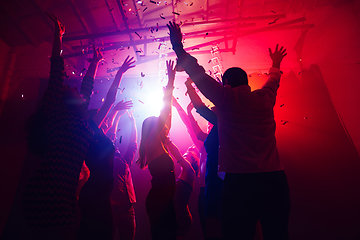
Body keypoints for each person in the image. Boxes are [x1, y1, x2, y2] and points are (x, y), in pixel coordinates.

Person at [167, 21, 290, 240]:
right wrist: (276, 63)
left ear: (227, 85)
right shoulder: (265, 99)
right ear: (247, 84)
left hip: (240, 182)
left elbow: (197, 73)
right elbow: (273, 81)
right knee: (276, 235)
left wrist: (178, 47)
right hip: (274, 179)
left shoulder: (225, 97)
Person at [22, 13, 95, 240]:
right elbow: (56, 73)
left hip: (62, 194)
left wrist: (95, 62)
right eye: (73, 90)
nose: (77, 90)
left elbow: (87, 88)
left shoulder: (77, 121)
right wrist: (58, 36)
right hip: (48, 193)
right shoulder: (58, 116)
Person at [78, 56, 135, 240]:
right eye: (102, 121)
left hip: (99, 194)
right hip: (96, 194)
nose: (106, 123)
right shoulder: (90, 132)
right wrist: (119, 73)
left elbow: (110, 122)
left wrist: (117, 112)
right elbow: (109, 101)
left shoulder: (97, 137)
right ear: (95, 122)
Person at [137, 60, 177, 240]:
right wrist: (170, 81)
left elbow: (167, 118)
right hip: (159, 200)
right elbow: (165, 113)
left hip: (163, 199)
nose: (164, 127)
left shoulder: (156, 142)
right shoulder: (152, 141)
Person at [185, 78, 223, 240]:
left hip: (220, 184)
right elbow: (195, 130)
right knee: (211, 227)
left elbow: (200, 113)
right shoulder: (205, 142)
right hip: (209, 186)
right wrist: (187, 112)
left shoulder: (224, 131)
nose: (208, 124)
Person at [110, 109, 138, 240]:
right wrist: (117, 115)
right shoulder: (105, 161)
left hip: (128, 209)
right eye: (114, 146)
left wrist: (133, 122)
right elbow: (110, 137)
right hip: (110, 209)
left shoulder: (124, 163)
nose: (117, 148)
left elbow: (133, 145)